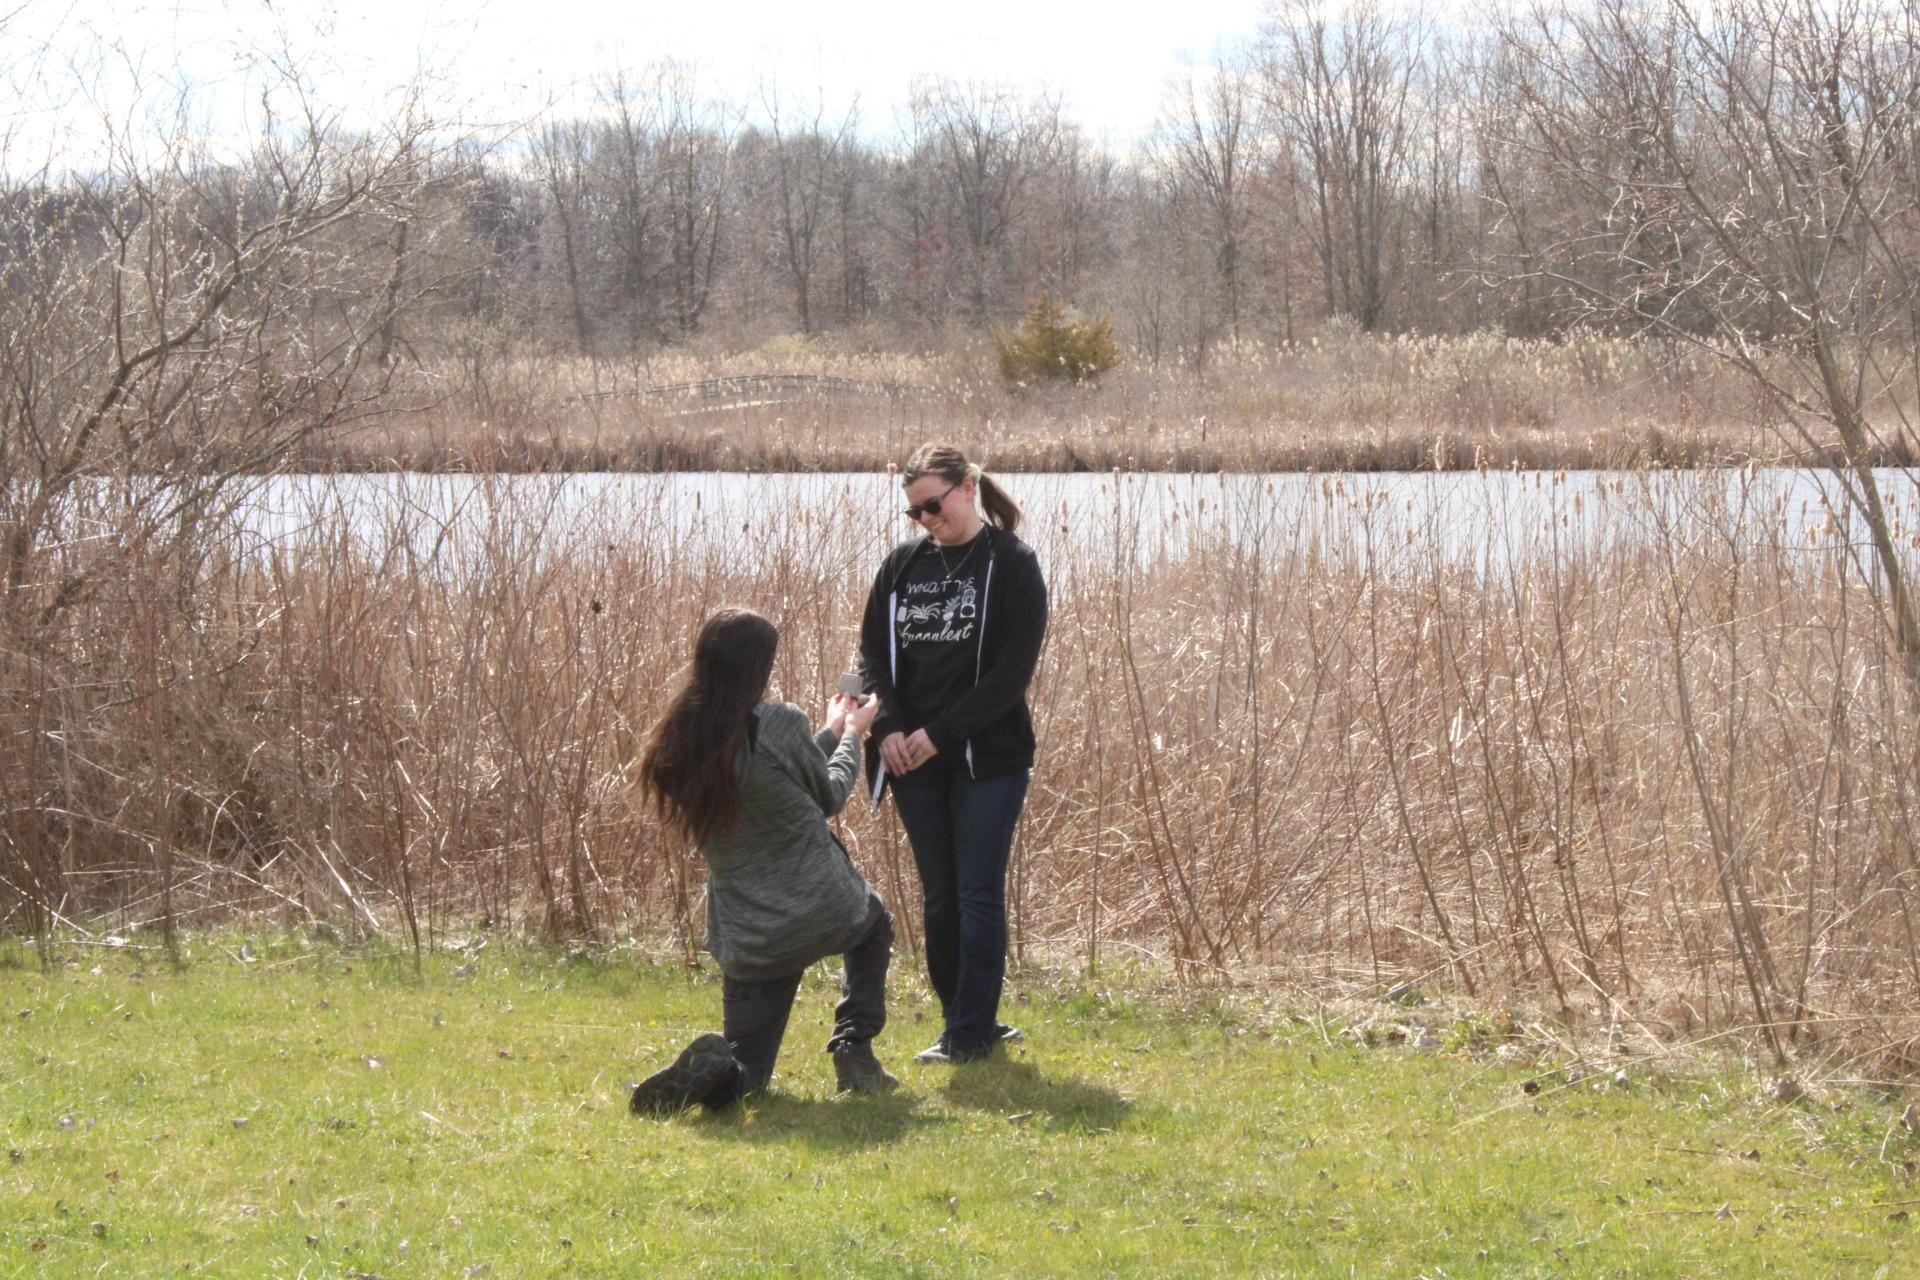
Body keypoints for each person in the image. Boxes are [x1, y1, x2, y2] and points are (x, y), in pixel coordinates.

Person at [629, 607, 897, 1115]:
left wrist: (831, 730)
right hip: (825, 909)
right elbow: (830, 793)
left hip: (750, 932)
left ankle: (718, 1074)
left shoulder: (679, 742)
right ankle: (853, 1050)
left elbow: (774, 780)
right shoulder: (779, 722)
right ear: (758, 668)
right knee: (875, 920)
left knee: (747, 1074)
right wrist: (854, 734)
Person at [859, 443, 1048, 1064]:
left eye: (933, 505)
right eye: (915, 512)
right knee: (939, 896)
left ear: (967, 488)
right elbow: (873, 659)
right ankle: (960, 1022)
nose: (926, 520)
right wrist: (886, 727)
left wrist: (938, 733)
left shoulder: (1012, 565)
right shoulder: (900, 568)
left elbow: (1009, 676)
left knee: (977, 893)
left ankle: (970, 1031)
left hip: (987, 760)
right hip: (911, 761)